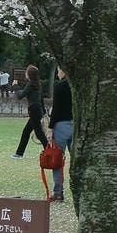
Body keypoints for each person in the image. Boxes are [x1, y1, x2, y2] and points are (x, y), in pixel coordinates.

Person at [46, 66, 74, 203]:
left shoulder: (59, 87)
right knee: (77, 160)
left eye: (58, 70)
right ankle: (79, 190)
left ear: (63, 71)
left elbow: (56, 109)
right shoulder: (78, 86)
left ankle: (58, 192)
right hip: (76, 124)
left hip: (61, 126)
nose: (57, 73)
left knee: (57, 160)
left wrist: (50, 128)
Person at [11, 65, 48, 158]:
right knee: (27, 132)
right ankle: (19, 153)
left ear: (29, 75)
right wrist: (44, 111)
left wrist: (15, 86)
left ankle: (51, 151)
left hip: (34, 110)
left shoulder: (31, 84)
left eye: (26, 73)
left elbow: (20, 95)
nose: (25, 74)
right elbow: (41, 99)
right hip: (37, 110)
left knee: (39, 133)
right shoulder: (37, 84)